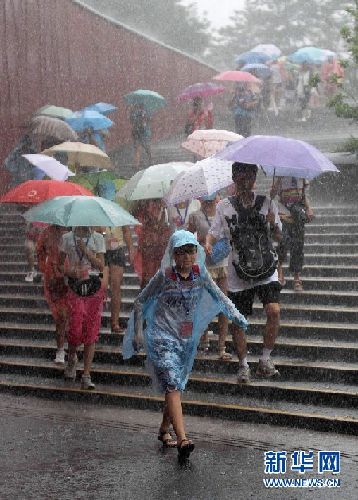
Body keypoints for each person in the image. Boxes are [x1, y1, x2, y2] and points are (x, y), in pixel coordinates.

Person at [123, 230, 247, 462]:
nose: (187, 257)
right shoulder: (164, 276)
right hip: (161, 337)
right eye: (181, 252)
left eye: (191, 251)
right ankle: (182, 438)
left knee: (176, 385)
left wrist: (237, 316)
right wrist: (138, 333)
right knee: (172, 383)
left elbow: (221, 297)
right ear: (173, 254)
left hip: (184, 341)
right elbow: (140, 301)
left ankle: (163, 429)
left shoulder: (201, 275)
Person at [206, 162, 282, 383]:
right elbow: (214, 232)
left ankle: (265, 360)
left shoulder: (266, 203)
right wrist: (209, 244)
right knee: (239, 320)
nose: (246, 181)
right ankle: (243, 364)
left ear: (255, 178)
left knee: (274, 311)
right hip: (238, 271)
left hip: (266, 266)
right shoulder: (224, 207)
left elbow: (278, 237)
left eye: (250, 176)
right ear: (234, 179)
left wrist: (273, 225)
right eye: (241, 177)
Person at [59, 226, 108, 390]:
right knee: (74, 329)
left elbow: (101, 265)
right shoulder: (66, 238)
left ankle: (86, 374)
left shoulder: (98, 238)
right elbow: (59, 265)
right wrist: (70, 271)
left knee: (91, 330)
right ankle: (72, 358)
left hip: (94, 288)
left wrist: (85, 250)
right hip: (75, 287)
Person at [188, 193, 231, 360]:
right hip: (205, 265)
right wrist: (198, 243)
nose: (209, 200)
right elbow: (186, 238)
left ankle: (221, 346)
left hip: (223, 264)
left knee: (223, 304)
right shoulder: (196, 216)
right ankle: (204, 339)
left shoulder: (225, 213)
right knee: (204, 304)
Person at [270, 176, 314, 292]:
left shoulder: (302, 177)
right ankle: (279, 269)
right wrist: (278, 180)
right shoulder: (280, 174)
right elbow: (271, 195)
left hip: (298, 215)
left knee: (298, 246)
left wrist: (309, 208)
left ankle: (297, 277)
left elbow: (304, 196)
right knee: (283, 242)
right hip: (283, 213)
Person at [37, 225, 69, 364]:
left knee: (71, 314)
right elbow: (40, 252)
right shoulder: (46, 233)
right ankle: (61, 349)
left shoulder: (72, 233)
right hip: (53, 278)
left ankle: (71, 349)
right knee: (60, 315)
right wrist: (47, 267)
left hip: (71, 275)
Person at [100, 226, 134, 332]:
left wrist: (130, 249)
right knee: (103, 285)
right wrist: (102, 232)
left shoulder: (118, 213)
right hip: (102, 251)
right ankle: (94, 319)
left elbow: (126, 230)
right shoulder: (99, 212)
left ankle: (115, 322)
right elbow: (92, 231)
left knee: (116, 286)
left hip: (117, 250)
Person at [133, 199, 171, 289]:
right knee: (148, 282)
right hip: (149, 262)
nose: (155, 210)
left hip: (161, 260)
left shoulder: (165, 215)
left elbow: (166, 241)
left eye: (157, 207)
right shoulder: (144, 220)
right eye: (153, 207)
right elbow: (143, 244)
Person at [129, 103, 152, 168]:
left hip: (137, 132)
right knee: (143, 147)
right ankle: (139, 162)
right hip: (142, 132)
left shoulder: (134, 113)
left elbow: (131, 121)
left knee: (139, 148)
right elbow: (149, 120)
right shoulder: (144, 112)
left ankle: (137, 163)